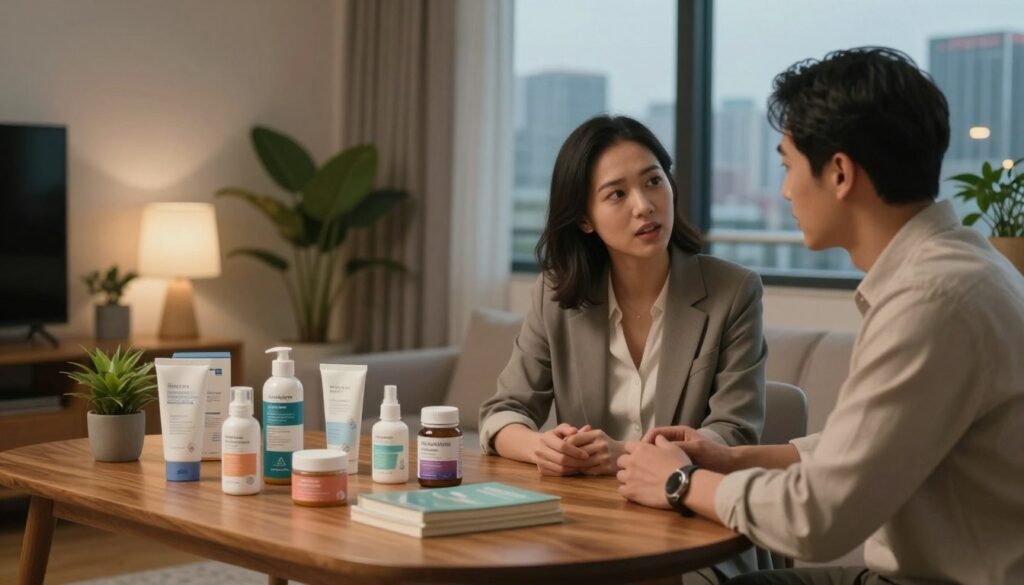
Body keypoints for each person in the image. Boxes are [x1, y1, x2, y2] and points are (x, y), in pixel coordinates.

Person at [617, 47, 1024, 585]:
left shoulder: (932, 301)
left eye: (787, 166)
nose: (785, 189)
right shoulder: (958, 265)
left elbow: (817, 519)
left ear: (838, 174)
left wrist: (680, 483)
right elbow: (864, 451)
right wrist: (728, 460)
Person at [479, 115, 768, 581]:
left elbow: (732, 434)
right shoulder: (556, 295)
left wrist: (628, 456)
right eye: (617, 193)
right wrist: (541, 448)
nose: (644, 206)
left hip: (693, 535)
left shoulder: (733, 291)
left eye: (654, 181)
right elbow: (502, 411)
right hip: (586, 532)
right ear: (585, 219)